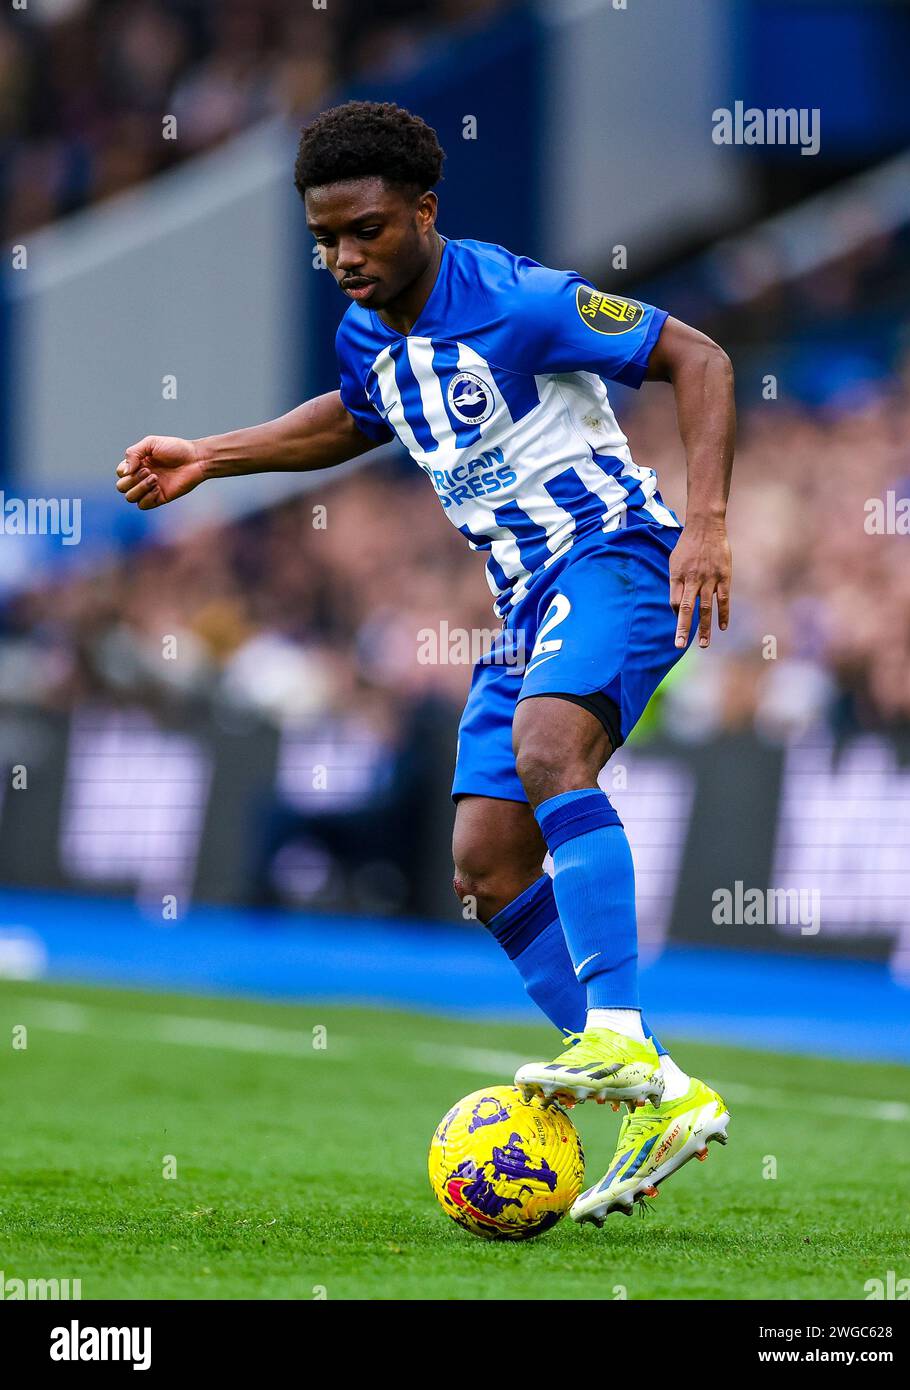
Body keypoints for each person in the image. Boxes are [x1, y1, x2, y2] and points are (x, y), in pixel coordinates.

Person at [117, 100, 735, 1226]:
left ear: (423, 213)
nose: (345, 257)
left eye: (365, 230)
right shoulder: (368, 333)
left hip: (616, 559)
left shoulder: (520, 301)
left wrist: (705, 523)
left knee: (553, 750)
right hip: (520, 605)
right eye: (326, 239)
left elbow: (698, 357)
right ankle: (664, 1098)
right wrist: (211, 452)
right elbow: (357, 417)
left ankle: (617, 1038)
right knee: (487, 863)